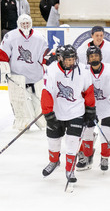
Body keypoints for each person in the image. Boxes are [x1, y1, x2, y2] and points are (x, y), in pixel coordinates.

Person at [41, 45, 95, 186]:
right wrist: (48, 113)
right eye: (68, 60)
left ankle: (70, 170)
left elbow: (89, 91)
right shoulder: (52, 70)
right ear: (60, 59)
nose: (71, 62)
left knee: (72, 143)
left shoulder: (83, 70)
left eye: (73, 59)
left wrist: (90, 109)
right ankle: (54, 161)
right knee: (53, 141)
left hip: (76, 112)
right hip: (57, 113)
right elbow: (46, 93)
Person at [76, 45, 110, 171]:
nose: (94, 58)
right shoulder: (83, 71)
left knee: (107, 133)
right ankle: (87, 155)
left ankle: (105, 157)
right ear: (87, 59)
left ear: (101, 57)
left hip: (107, 107)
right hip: (89, 108)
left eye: (96, 55)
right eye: (91, 56)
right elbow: (79, 92)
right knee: (86, 134)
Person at [0, 14, 50, 129]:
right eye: (23, 24)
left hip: (37, 78)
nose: (25, 26)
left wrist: (49, 61)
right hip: (17, 78)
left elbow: (44, 56)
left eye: (27, 23)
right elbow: (2, 55)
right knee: (20, 104)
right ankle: (22, 123)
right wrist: (4, 71)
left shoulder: (40, 37)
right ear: (18, 24)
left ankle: (43, 123)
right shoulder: (10, 36)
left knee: (41, 105)